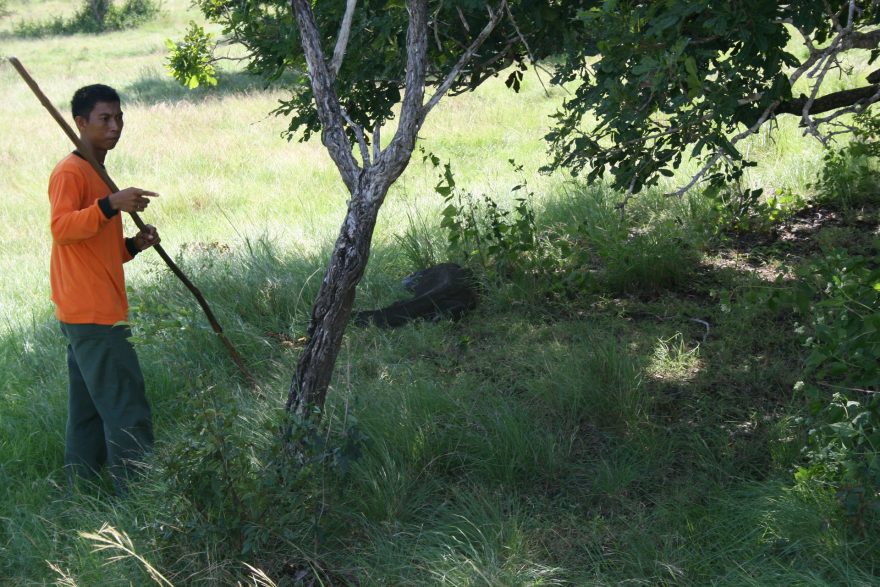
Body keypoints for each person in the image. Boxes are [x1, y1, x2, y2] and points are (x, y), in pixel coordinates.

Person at [49, 83, 160, 492]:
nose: (115, 126)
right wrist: (111, 204)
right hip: (94, 315)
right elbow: (61, 229)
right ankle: (141, 496)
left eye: (119, 118)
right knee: (126, 407)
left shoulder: (97, 173)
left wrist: (133, 245)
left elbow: (95, 248)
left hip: (85, 309)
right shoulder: (71, 172)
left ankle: (81, 490)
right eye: (104, 119)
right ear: (81, 123)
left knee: (89, 411)